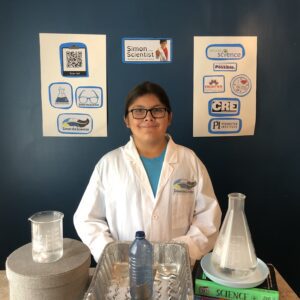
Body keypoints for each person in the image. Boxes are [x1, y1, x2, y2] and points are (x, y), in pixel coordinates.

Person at [73, 81, 221, 264]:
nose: (148, 118)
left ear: (169, 117)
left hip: (177, 268)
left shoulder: (190, 161)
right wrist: (113, 255)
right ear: (126, 120)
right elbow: (87, 219)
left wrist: (181, 253)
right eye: (138, 111)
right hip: (124, 269)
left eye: (157, 110)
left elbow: (209, 218)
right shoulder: (109, 164)